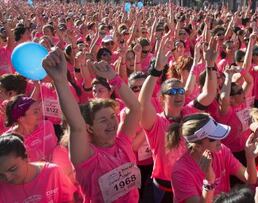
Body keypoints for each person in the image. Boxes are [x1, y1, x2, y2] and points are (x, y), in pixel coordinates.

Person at [42, 48, 141, 202]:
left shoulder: (122, 143)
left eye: (112, 116)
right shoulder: (87, 159)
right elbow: (77, 126)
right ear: (89, 127)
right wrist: (60, 81)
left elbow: (135, 108)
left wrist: (114, 77)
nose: (111, 123)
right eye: (103, 120)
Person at [139, 34, 218, 202]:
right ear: (162, 98)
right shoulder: (157, 122)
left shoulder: (189, 113)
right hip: (163, 190)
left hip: (189, 184)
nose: (179, 94)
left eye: (181, 91)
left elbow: (209, 93)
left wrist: (210, 66)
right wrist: (156, 70)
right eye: (173, 91)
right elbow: (143, 103)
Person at [170, 113, 258, 203]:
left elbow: (250, 179)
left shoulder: (222, 151)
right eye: (213, 138)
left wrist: (250, 158)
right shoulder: (180, 172)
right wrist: (209, 181)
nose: (220, 140)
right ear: (197, 146)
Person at [0, 134, 76, 202]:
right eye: (1, 175)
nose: (8, 177)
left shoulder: (52, 173)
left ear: (26, 156)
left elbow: (68, 199)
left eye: (13, 169)